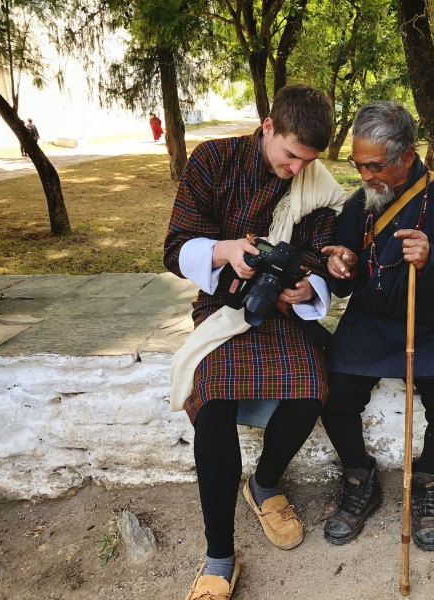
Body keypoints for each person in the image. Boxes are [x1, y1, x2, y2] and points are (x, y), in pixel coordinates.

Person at [164, 84, 347, 600]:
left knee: (312, 386)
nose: (296, 171)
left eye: (306, 162)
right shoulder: (214, 159)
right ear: (268, 126)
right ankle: (220, 557)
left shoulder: (316, 181)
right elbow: (176, 246)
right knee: (216, 401)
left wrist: (310, 282)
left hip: (280, 309)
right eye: (290, 156)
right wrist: (226, 251)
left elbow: (322, 247)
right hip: (222, 304)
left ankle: (264, 484)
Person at [320, 101, 434, 552]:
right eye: (358, 165)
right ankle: (361, 477)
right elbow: (343, 278)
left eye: (375, 165)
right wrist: (343, 265)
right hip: (372, 323)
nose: (365, 176)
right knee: (331, 391)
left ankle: (426, 482)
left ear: (407, 157)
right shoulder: (360, 204)